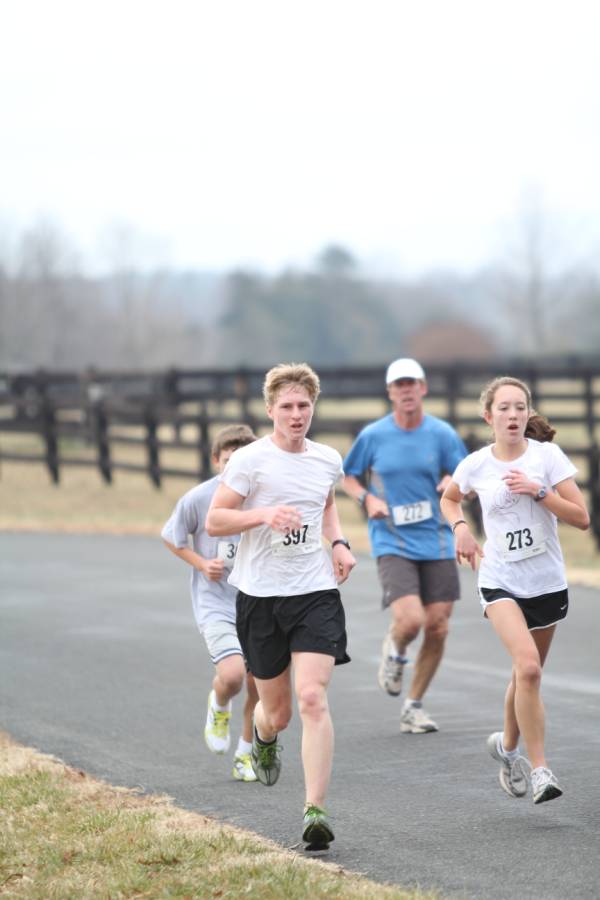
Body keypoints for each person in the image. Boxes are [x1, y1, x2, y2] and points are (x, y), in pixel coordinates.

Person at [206, 362, 356, 850]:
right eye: (287, 406)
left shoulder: (327, 459)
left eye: (304, 405)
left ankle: (315, 810)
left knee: (312, 697)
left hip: (314, 593)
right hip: (261, 599)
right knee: (278, 714)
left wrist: (338, 542)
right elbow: (215, 520)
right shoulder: (249, 461)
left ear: (313, 407)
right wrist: (263, 514)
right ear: (270, 409)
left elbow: (325, 504)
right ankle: (263, 735)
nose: (296, 414)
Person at [440, 376, 590, 804]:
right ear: (488, 416)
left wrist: (539, 492)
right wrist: (461, 529)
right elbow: (450, 498)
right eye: (504, 408)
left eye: (520, 407)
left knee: (525, 675)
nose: (513, 415)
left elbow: (581, 518)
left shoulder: (548, 457)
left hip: (545, 582)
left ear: (528, 413)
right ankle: (541, 770)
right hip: (499, 579)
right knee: (528, 668)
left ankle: (506, 748)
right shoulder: (476, 464)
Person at [343, 358, 467, 734]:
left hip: (437, 538)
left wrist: (452, 482)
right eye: (399, 385)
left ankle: (414, 706)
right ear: (390, 392)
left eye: (412, 383)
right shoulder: (374, 435)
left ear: (423, 388)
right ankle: (395, 649)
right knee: (411, 620)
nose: (406, 390)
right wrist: (367, 499)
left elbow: (467, 475)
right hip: (392, 538)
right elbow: (349, 477)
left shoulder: (442, 434)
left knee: (438, 625)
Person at [162, 424, 259, 782]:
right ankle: (219, 704)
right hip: (215, 601)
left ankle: (246, 754)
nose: (234, 467)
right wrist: (202, 564)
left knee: (259, 686)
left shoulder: (264, 496)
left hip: (258, 602)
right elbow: (171, 537)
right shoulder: (199, 498)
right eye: (228, 460)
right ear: (216, 460)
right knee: (232, 676)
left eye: (241, 460)